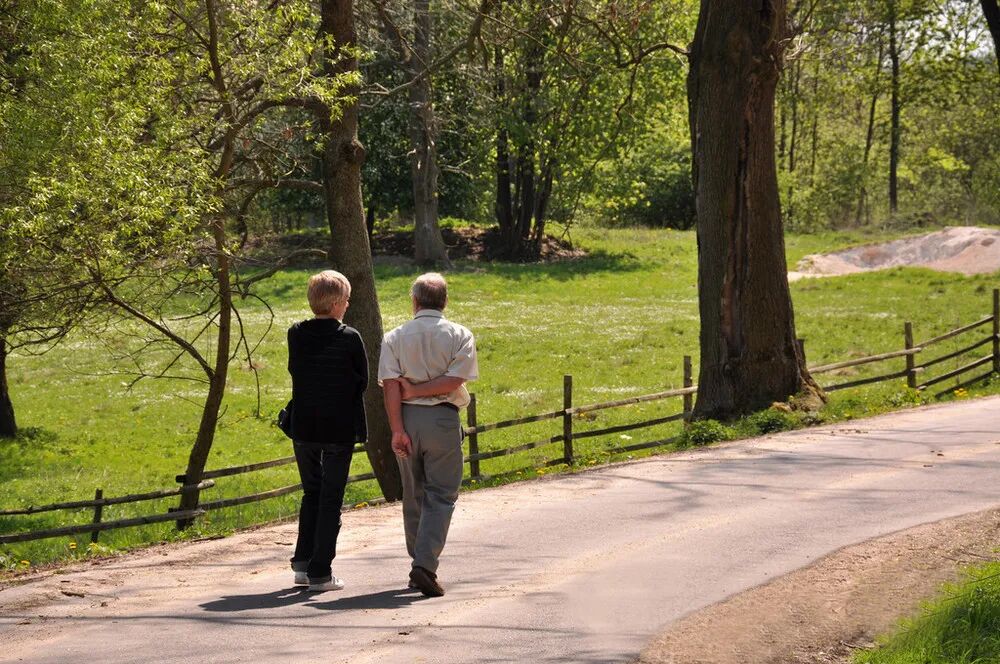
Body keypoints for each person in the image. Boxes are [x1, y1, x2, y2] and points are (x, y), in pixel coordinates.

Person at [378, 273, 478, 597]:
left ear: (414, 301)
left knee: (414, 493)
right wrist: (424, 390)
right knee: (442, 495)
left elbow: (390, 386)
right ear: (445, 301)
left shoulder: (395, 337)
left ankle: (417, 564)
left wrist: (396, 430)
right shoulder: (460, 335)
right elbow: (455, 380)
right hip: (442, 421)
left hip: (405, 418)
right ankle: (424, 565)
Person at [286, 270, 368, 592]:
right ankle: (321, 571)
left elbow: (296, 369)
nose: (348, 305)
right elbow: (360, 380)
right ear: (335, 304)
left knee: (312, 492)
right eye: (346, 300)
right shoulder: (349, 337)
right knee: (331, 497)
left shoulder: (295, 333)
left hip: (304, 426)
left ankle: (302, 564)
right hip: (338, 428)